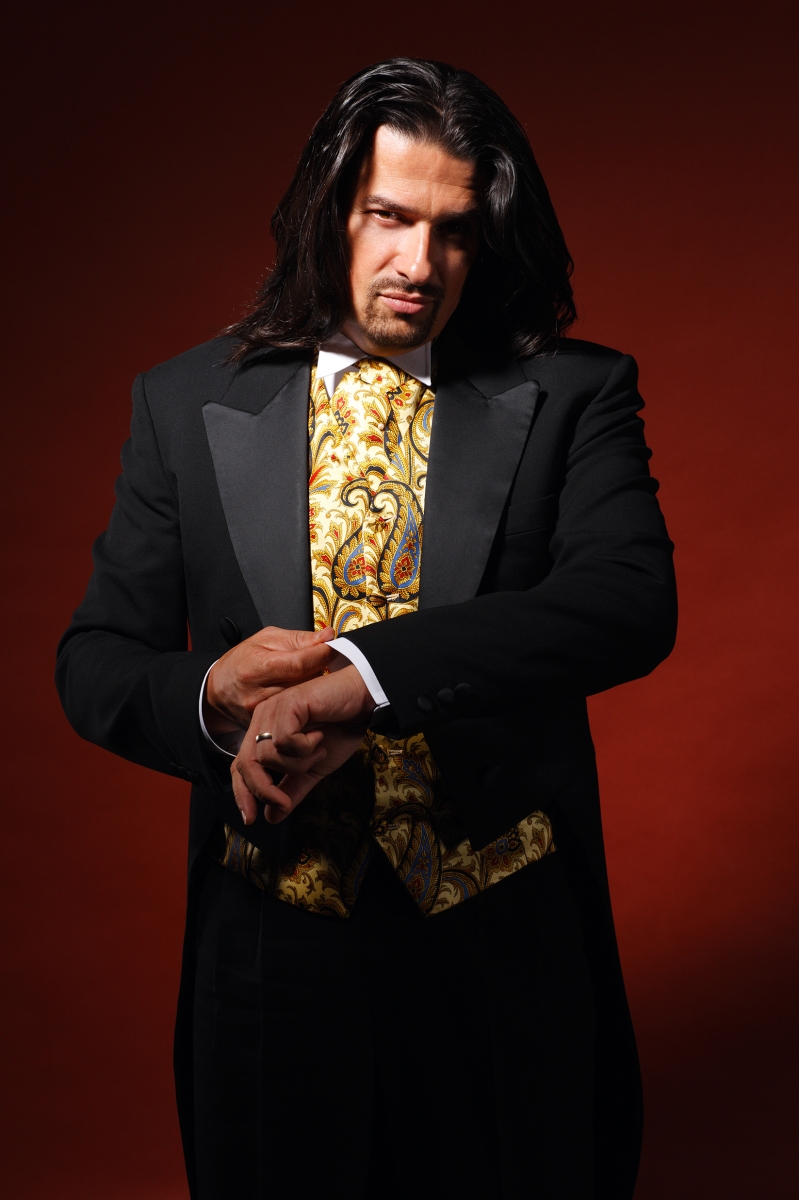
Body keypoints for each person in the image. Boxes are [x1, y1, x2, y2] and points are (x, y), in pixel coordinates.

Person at [56, 58, 676, 1200]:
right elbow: (94, 662)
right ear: (328, 209)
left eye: (453, 229)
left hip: (501, 953)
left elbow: (627, 602)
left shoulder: (577, 394)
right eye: (389, 217)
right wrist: (212, 696)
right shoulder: (181, 402)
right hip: (270, 956)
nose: (419, 264)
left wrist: (358, 674)